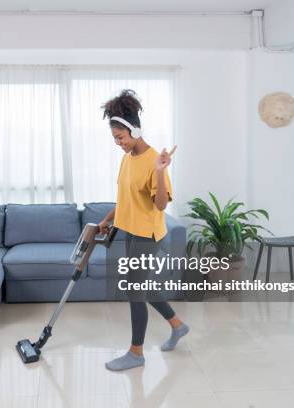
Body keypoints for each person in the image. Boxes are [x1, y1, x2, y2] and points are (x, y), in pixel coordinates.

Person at [98, 89, 189, 372]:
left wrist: (161, 172)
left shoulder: (153, 161)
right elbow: (125, 197)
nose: (118, 143)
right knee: (143, 287)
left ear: (135, 130)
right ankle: (178, 325)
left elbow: (160, 205)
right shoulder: (128, 158)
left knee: (135, 290)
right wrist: (108, 219)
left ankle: (136, 353)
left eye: (120, 138)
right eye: (115, 138)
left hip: (147, 234)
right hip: (129, 229)